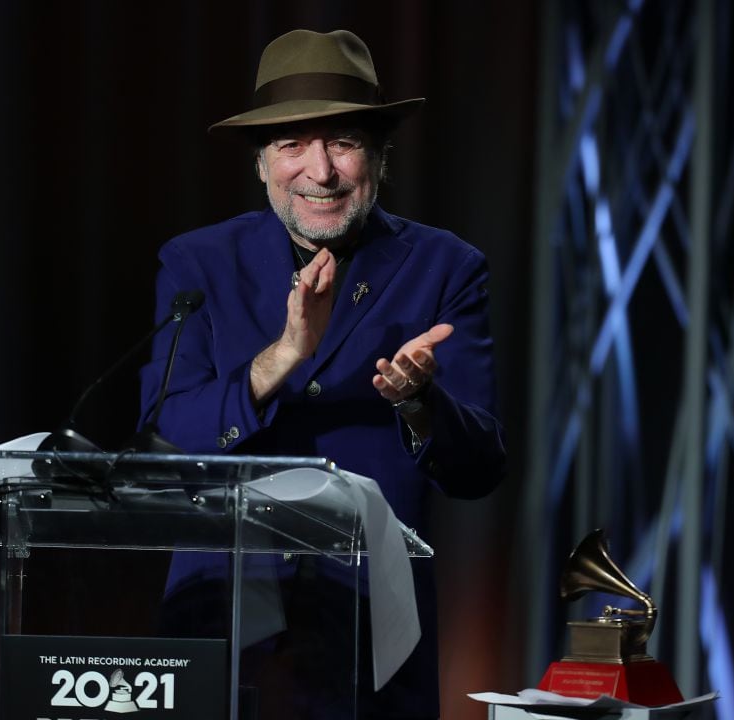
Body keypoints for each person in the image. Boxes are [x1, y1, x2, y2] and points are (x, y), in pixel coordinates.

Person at [139, 29, 506, 720]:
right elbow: (168, 442)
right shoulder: (197, 264)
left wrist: (421, 402)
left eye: (342, 142)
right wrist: (282, 357)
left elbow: (480, 468)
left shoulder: (446, 268)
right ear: (260, 165)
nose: (321, 171)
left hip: (373, 629)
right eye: (292, 146)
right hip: (221, 620)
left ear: (378, 156)